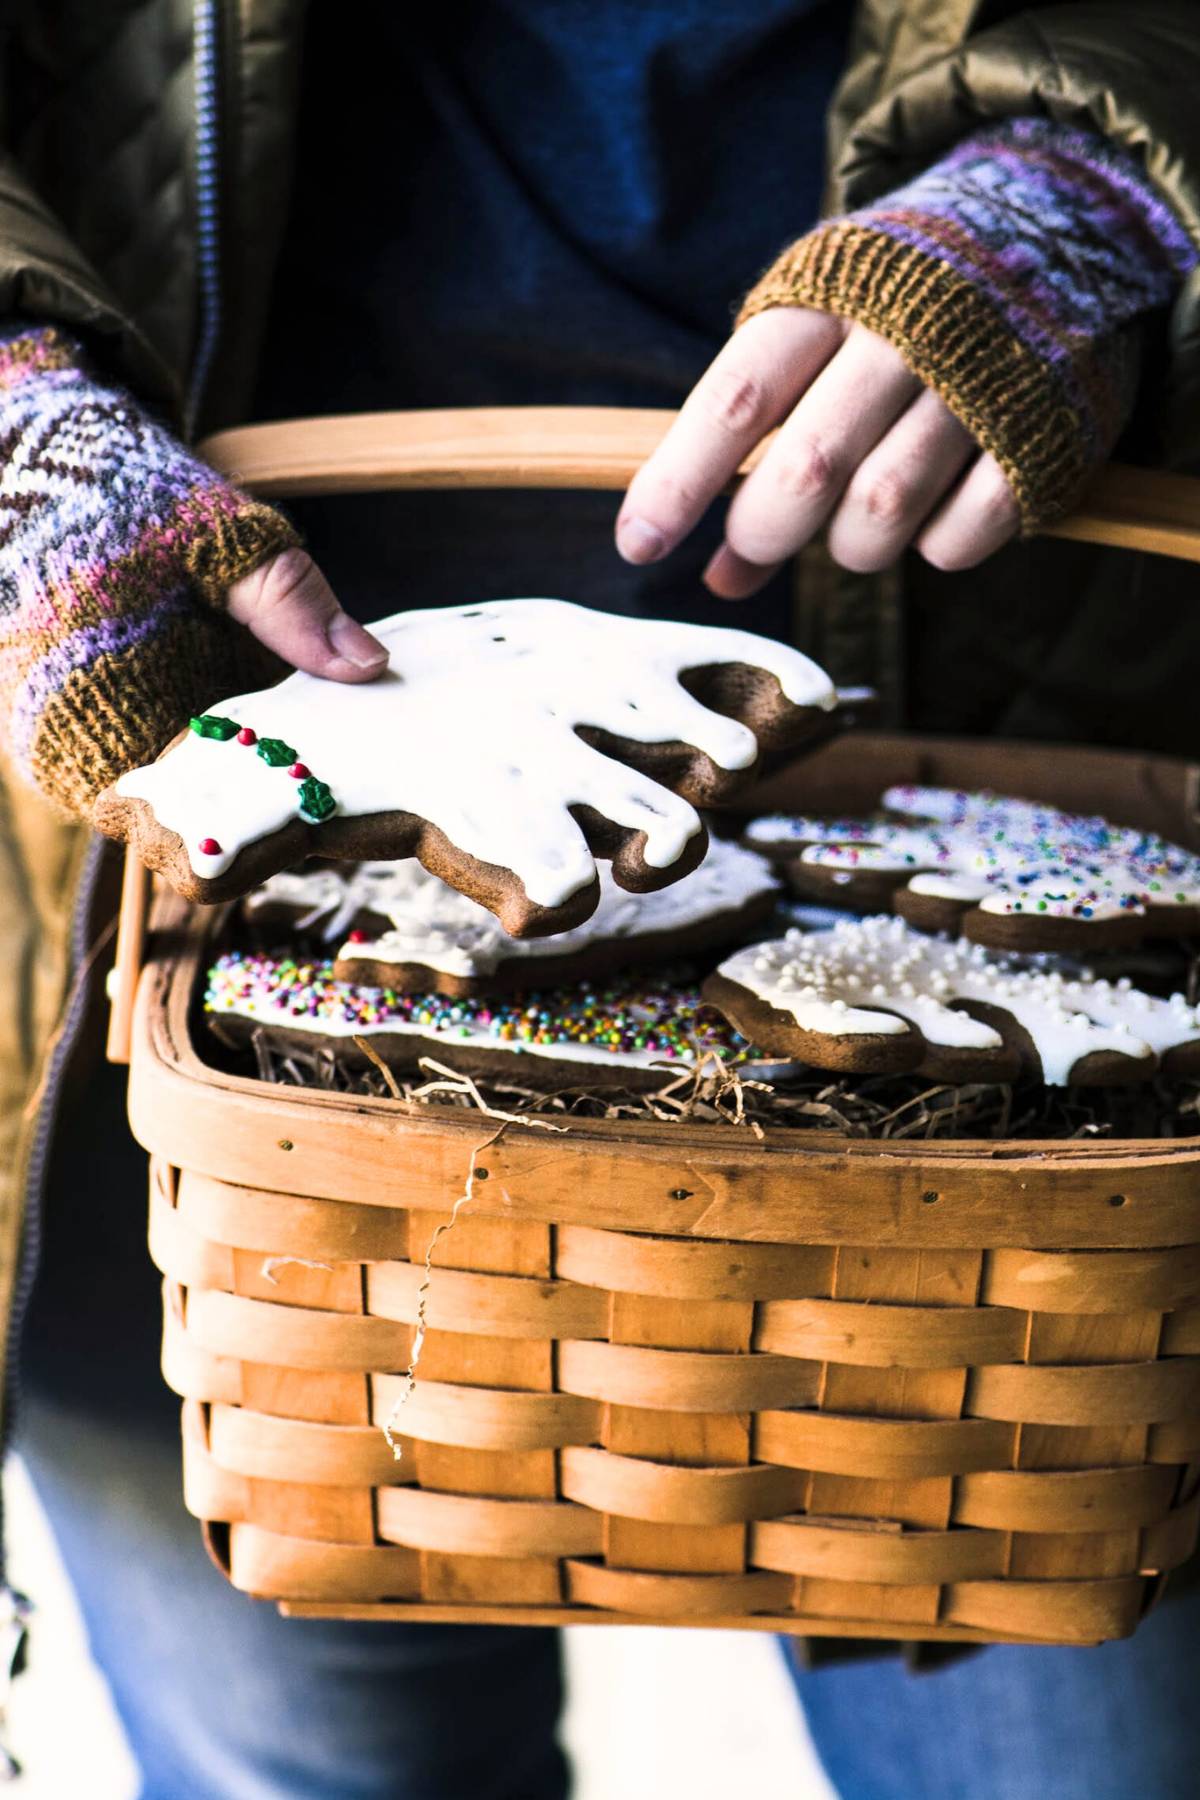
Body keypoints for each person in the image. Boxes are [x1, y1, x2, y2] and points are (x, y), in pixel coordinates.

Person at [1, 4, 1200, 1795]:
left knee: (1059, 1747)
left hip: (989, 735)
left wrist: (1103, 185)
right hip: (157, 901)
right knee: (309, 1758)